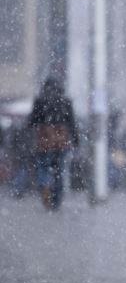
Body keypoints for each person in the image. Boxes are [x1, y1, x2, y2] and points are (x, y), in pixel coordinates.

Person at [28, 77, 79, 210]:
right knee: (59, 170)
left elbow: (32, 121)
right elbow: (72, 122)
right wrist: (76, 141)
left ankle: (45, 189)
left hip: (44, 136)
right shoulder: (65, 100)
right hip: (61, 138)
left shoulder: (40, 100)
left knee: (44, 168)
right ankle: (57, 200)